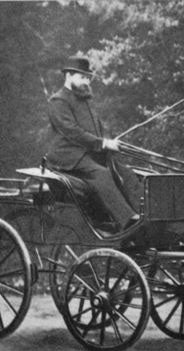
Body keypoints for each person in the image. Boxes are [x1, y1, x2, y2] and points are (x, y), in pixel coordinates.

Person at [44, 56, 141, 232]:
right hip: (68, 157)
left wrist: (110, 143)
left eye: (88, 78)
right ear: (69, 76)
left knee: (128, 174)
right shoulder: (58, 101)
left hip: (90, 154)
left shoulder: (85, 100)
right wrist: (103, 143)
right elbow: (72, 132)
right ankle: (128, 222)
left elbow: (97, 129)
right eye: (83, 77)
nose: (86, 81)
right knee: (102, 174)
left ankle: (143, 216)